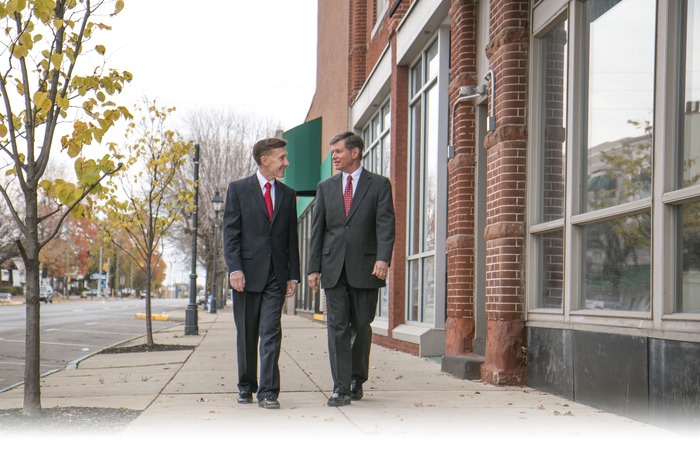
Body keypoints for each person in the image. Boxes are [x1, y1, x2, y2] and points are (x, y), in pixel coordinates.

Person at [308, 132, 395, 407]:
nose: (333, 156)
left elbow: (385, 225)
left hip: (367, 268)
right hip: (333, 268)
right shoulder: (325, 187)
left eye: (338, 151)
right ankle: (341, 387)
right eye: (333, 152)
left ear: (355, 152)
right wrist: (313, 268)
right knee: (336, 327)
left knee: (361, 325)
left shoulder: (379, 185)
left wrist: (383, 258)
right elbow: (317, 230)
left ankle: (357, 377)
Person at [222, 137, 300, 409]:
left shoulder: (289, 194)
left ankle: (268, 392)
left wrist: (293, 275)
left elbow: (292, 237)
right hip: (246, 275)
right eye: (282, 158)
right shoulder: (238, 190)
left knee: (271, 332)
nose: (286, 163)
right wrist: (235, 269)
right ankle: (246, 386)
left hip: (276, 277)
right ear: (264, 160)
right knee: (247, 334)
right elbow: (230, 234)